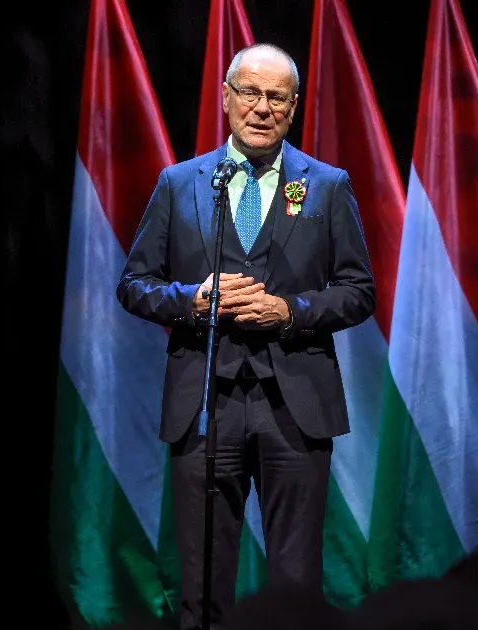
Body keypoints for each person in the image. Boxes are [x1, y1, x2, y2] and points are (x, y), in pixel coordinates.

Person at [116, 42, 376, 630]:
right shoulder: (180, 183)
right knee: (202, 581)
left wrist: (290, 311)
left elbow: (359, 291)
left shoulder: (326, 185)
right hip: (206, 402)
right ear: (226, 98)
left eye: (277, 97)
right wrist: (192, 300)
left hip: (296, 406)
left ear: (294, 106)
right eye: (251, 93)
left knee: (295, 585)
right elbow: (134, 284)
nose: (262, 108)